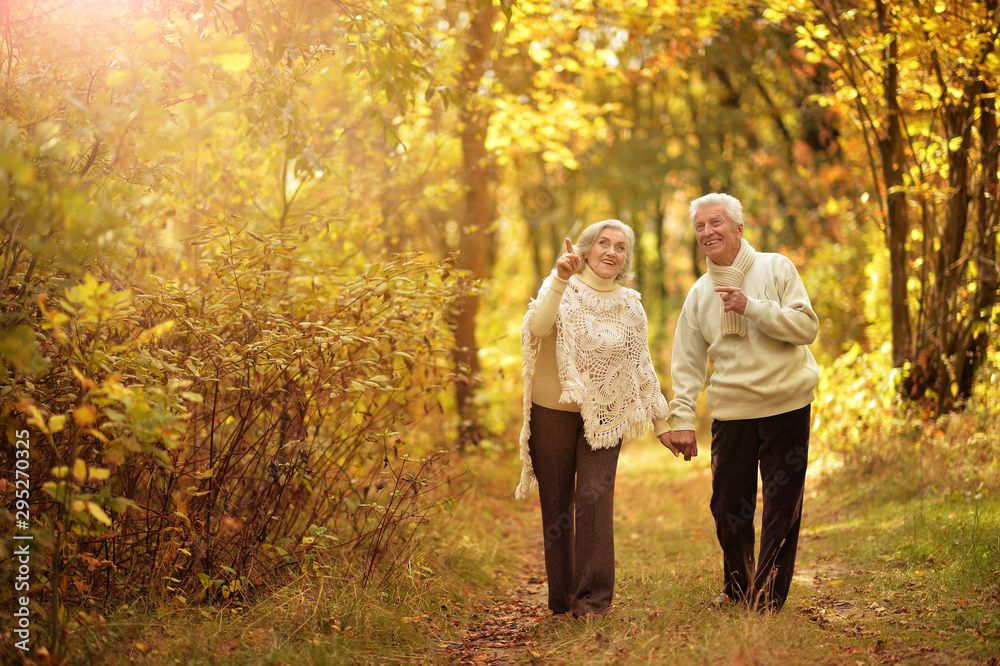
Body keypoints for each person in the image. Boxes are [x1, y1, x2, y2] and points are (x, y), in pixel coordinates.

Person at [515, 219, 682, 618]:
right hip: (551, 410)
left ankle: (591, 602)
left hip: (606, 414)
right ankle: (561, 600)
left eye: (620, 247)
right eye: (603, 244)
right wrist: (559, 278)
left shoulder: (630, 305)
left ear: (625, 258)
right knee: (556, 505)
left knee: (594, 499)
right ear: (587, 250)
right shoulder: (561, 287)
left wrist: (662, 425)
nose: (611, 252)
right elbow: (538, 327)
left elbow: (641, 367)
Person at [668, 193, 819, 613]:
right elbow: (687, 362)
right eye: (699, 226)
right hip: (732, 412)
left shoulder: (776, 268)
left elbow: (806, 327)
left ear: (738, 228)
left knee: (780, 508)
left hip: (787, 405)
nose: (706, 232)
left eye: (715, 222)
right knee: (727, 506)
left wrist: (751, 307)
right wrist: (681, 417)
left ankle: (767, 599)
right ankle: (737, 588)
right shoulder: (700, 294)